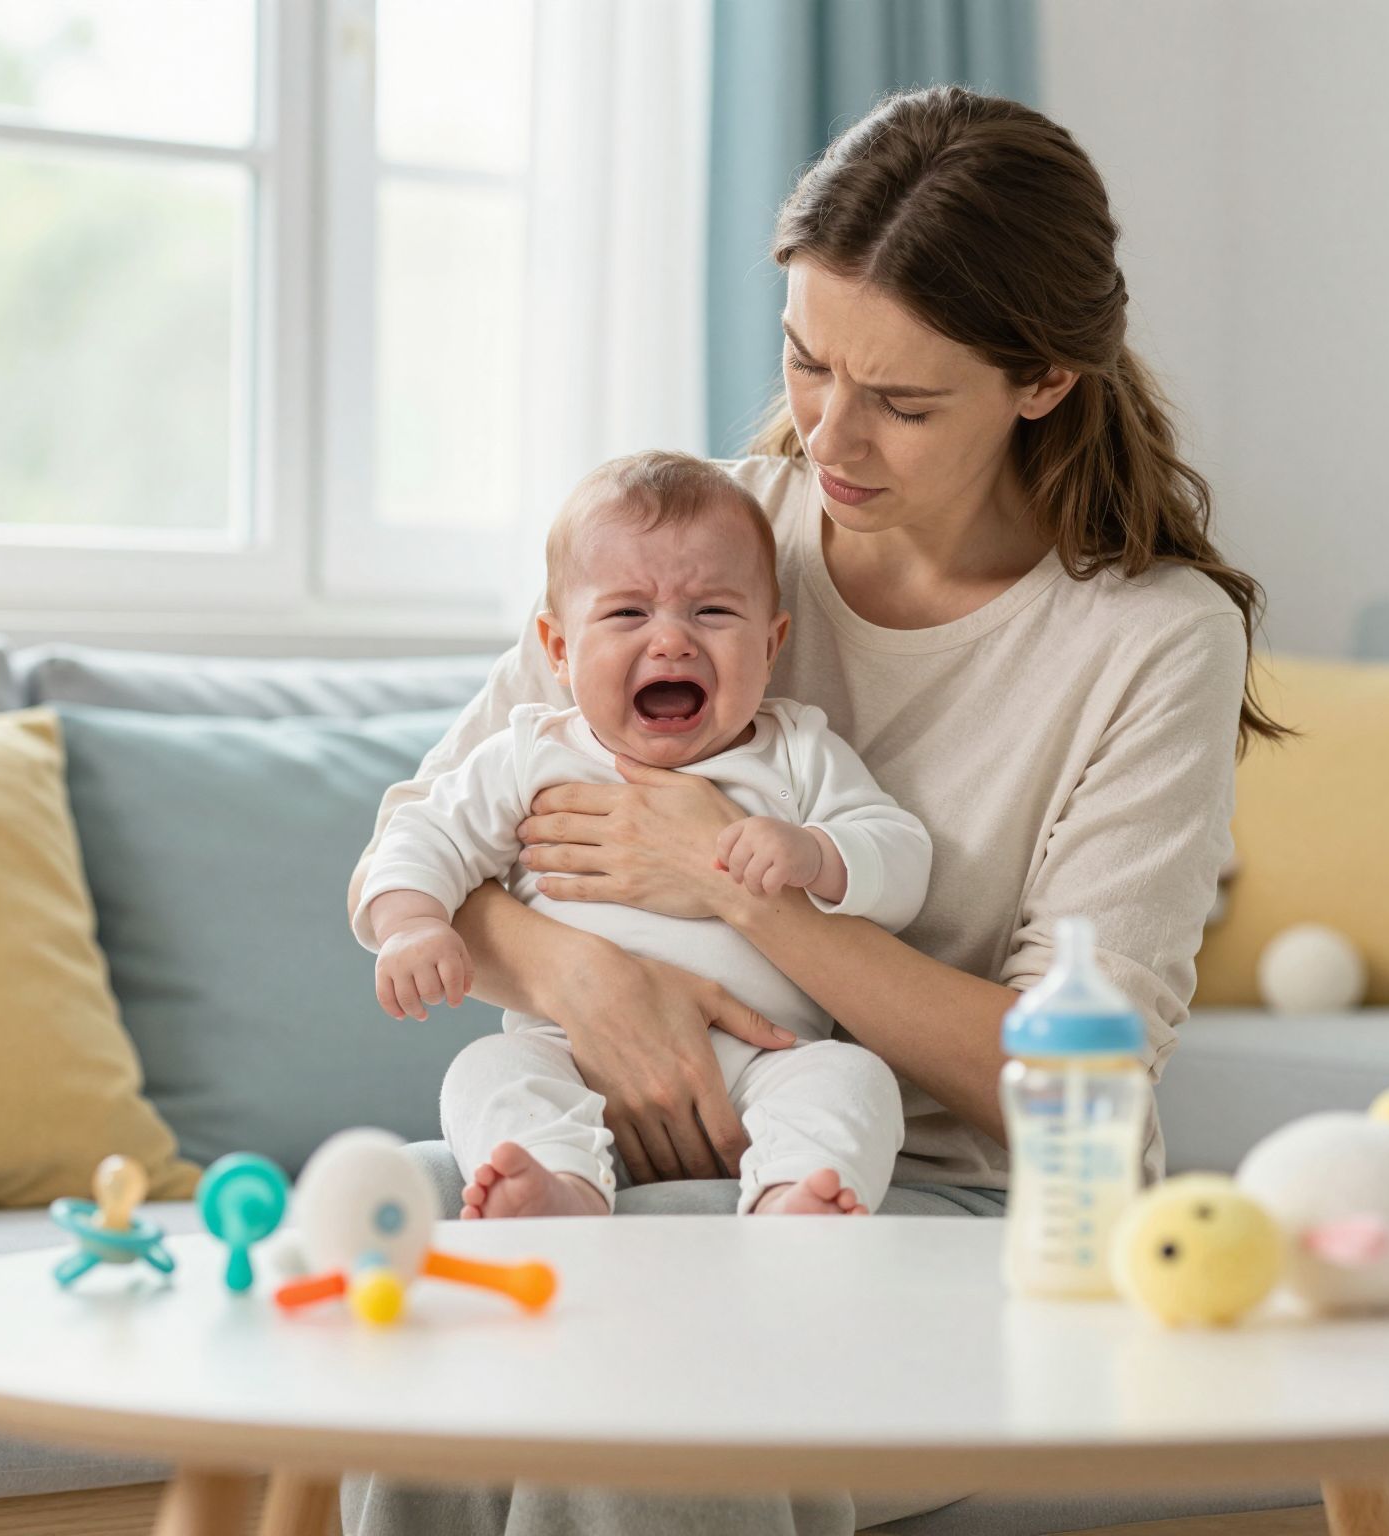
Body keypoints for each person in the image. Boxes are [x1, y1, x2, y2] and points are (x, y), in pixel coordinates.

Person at [343, 82, 1286, 1536]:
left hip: (965, 1219)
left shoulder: (1148, 640)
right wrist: (592, 983)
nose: (830, 441)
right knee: (380, 1254)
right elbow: (440, 829)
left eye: (903, 403)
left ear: (1042, 382)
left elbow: (1064, 1086)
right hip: (663, 1148)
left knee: (635, 1345)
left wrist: (735, 894)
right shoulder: (711, 535)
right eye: (807, 362)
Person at [356, 451, 930, 1220]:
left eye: (713, 613)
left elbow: (900, 856)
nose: (671, 642)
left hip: (766, 1067)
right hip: (572, 1056)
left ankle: (795, 1195)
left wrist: (819, 856)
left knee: (856, 1081)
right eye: (629, 614)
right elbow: (424, 834)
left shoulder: (796, 751)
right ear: (558, 650)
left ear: (771, 642)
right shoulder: (533, 752)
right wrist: (413, 924)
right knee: (486, 1069)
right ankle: (562, 1185)